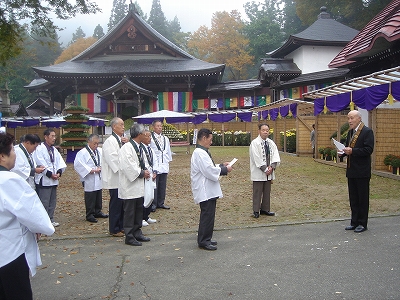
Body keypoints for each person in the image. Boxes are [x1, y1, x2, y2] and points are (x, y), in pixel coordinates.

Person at [0, 132, 55, 300]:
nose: (15, 154)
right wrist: (39, 227)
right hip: (9, 252)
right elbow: (34, 214)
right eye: (12, 150)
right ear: (2, 156)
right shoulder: (8, 180)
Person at [191, 128, 232, 251]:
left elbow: (210, 166)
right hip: (205, 189)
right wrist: (224, 170)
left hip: (208, 189)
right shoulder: (199, 153)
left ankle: (206, 237)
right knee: (207, 215)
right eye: (210, 139)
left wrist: (221, 165)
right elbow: (208, 170)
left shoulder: (203, 152)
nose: (211, 142)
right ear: (204, 138)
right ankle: (203, 240)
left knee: (209, 215)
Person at [341, 110, 374, 233]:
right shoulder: (350, 133)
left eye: (352, 118)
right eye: (348, 118)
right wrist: (342, 153)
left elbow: (368, 150)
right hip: (351, 170)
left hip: (362, 171)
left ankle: (362, 223)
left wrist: (353, 151)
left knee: (362, 198)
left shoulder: (367, 132)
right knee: (353, 198)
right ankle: (354, 221)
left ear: (359, 119)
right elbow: (347, 148)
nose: (349, 121)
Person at [119, 123, 151, 246]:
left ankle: (137, 232)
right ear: (138, 134)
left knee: (138, 210)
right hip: (129, 185)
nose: (145, 135)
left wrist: (147, 171)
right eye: (144, 133)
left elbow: (143, 162)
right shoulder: (127, 148)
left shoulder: (139, 147)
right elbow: (128, 166)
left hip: (138, 185)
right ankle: (129, 235)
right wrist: (142, 172)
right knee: (130, 212)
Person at [33, 128, 67, 227]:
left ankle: (50, 218)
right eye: (52, 136)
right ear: (46, 137)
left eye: (55, 136)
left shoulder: (54, 150)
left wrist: (59, 173)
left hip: (54, 179)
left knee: (52, 201)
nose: (54, 138)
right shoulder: (39, 149)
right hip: (44, 179)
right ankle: (43, 221)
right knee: (44, 201)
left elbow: (60, 163)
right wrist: (50, 174)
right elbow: (40, 163)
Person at [102, 117, 128, 237]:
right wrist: (124, 168)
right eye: (121, 125)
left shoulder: (121, 140)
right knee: (116, 204)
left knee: (122, 204)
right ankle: (114, 228)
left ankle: (121, 225)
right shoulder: (110, 142)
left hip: (122, 178)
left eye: (123, 125)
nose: (123, 127)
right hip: (114, 177)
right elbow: (112, 159)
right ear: (114, 127)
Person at [74, 134, 108, 223]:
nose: (96, 145)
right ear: (89, 142)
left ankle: (98, 211)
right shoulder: (83, 152)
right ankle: (90, 214)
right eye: (94, 143)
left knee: (98, 194)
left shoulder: (99, 151)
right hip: (89, 177)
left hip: (98, 175)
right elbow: (78, 164)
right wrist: (90, 170)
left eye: (97, 143)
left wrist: (101, 168)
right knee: (90, 196)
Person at [249, 124, 281, 218]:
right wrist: (265, 168)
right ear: (259, 131)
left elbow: (275, 155)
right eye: (263, 130)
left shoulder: (271, 143)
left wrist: (272, 166)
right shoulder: (255, 143)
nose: (265, 132)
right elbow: (256, 158)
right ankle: (256, 210)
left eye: (267, 130)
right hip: (259, 171)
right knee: (258, 191)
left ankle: (265, 209)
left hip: (269, 171)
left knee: (267, 191)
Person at [150, 120, 172, 210]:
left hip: (164, 163)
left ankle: (161, 202)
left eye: (160, 126)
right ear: (153, 127)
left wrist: (168, 160)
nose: (159, 128)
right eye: (157, 126)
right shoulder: (150, 138)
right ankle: (153, 204)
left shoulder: (165, 138)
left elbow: (168, 150)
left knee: (163, 184)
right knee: (155, 184)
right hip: (156, 164)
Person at [141, 129, 157, 227]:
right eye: (148, 136)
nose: (150, 138)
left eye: (150, 136)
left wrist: (155, 172)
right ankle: (141, 217)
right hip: (145, 175)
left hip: (151, 175)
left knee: (151, 196)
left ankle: (146, 215)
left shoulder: (150, 149)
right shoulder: (140, 149)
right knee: (144, 196)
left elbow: (155, 161)